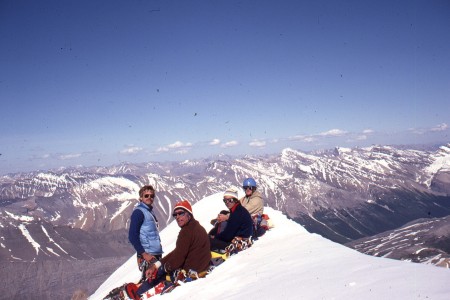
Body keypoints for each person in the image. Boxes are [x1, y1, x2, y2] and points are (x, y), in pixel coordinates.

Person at [130, 200, 211, 298]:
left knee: (155, 277)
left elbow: (177, 260)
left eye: (181, 213)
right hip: (199, 270)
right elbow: (178, 252)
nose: (178, 217)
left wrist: (159, 269)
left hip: (189, 275)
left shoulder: (186, 232)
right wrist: (156, 265)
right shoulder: (196, 228)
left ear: (189, 214)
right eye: (175, 215)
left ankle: (137, 294)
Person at [128, 185, 163, 273]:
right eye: (146, 196)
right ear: (141, 198)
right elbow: (132, 236)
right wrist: (144, 254)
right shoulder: (138, 212)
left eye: (152, 196)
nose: (149, 198)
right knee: (150, 281)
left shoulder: (149, 211)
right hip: (148, 255)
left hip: (155, 254)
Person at [210, 187, 253, 252]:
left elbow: (227, 236)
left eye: (230, 200)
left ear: (235, 200)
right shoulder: (237, 209)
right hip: (240, 237)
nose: (227, 202)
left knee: (208, 241)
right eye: (225, 200)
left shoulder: (237, 213)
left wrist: (215, 237)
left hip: (238, 242)